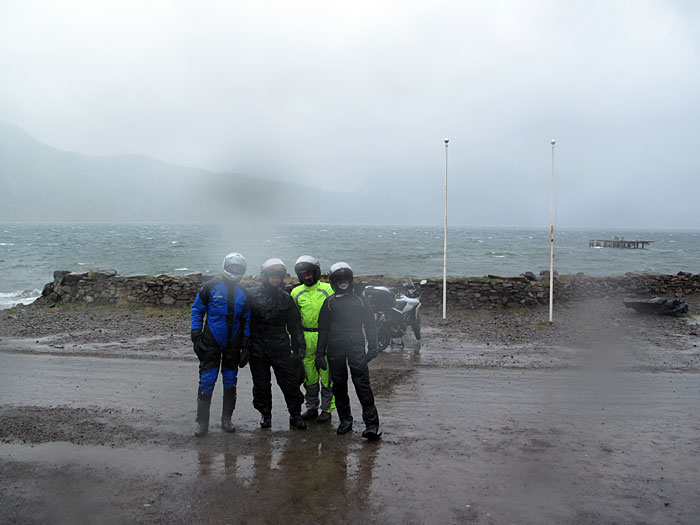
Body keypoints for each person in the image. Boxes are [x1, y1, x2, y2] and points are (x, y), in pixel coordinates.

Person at [316, 262, 381, 440]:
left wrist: (373, 346)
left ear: (350, 280)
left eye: (345, 279)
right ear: (333, 282)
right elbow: (323, 329)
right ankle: (345, 420)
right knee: (339, 386)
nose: (342, 282)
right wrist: (319, 353)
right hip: (335, 349)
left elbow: (370, 324)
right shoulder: (329, 302)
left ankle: (372, 425)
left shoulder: (361, 300)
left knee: (362, 385)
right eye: (339, 279)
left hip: (356, 348)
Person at [190, 252, 251, 437]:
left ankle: (227, 419)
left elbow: (248, 319)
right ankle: (202, 422)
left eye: (237, 268)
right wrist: (195, 335)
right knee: (207, 380)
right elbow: (197, 310)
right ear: (225, 266)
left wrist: (247, 344)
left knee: (230, 380)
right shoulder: (210, 287)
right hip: (211, 341)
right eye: (232, 267)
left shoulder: (244, 293)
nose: (234, 270)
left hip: (233, 343)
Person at [247, 258, 307, 430]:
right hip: (257, 349)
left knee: (290, 383)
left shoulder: (286, 299)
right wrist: (243, 346)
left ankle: (295, 414)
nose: (275, 280)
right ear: (264, 277)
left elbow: (295, 326)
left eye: (278, 277)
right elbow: (243, 322)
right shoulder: (251, 296)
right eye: (272, 276)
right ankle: (265, 414)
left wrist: (300, 346)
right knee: (261, 384)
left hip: (281, 348)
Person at [290, 255, 335, 423]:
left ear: (316, 272)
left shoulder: (328, 289)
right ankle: (311, 407)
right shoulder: (296, 292)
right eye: (303, 275)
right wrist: (295, 341)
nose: (306, 277)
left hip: (325, 336)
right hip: (305, 337)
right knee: (309, 376)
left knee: (327, 375)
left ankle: (327, 409)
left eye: (309, 273)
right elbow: (293, 318)